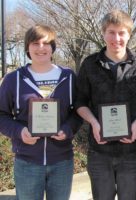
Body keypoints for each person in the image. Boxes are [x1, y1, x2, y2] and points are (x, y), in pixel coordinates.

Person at [75, 9, 136, 200]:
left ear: (129, 35)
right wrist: (95, 123)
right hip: (99, 151)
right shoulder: (89, 64)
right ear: (103, 33)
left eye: (122, 33)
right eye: (111, 32)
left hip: (131, 151)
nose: (116, 38)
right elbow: (80, 102)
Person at [0, 25, 82, 200]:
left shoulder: (68, 77)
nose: (41, 48)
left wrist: (68, 129)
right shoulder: (13, 79)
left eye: (46, 43)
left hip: (62, 162)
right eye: (35, 43)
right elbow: (2, 115)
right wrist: (19, 132)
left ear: (53, 47)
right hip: (27, 162)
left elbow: (79, 112)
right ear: (27, 47)